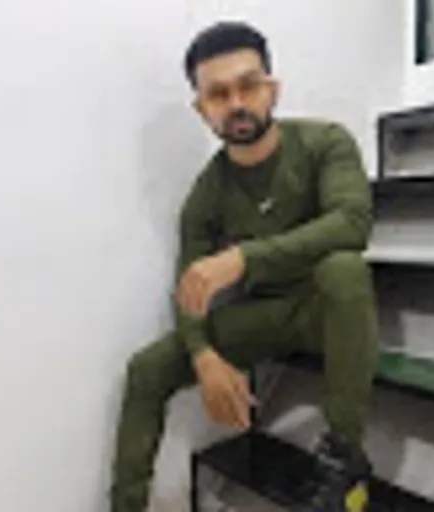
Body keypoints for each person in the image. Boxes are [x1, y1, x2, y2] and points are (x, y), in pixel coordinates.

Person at [110, 21, 379, 512]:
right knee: (146, 369)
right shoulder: (206, 193)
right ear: (201, 108)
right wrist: (204, 357)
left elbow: (352, 224)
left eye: (248, 85)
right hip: (264, 319)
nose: (235, 103)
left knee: (344, 268)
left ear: (272, 89)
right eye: (217, 94)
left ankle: (344, 453)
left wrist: (243, 259)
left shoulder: (325, 142)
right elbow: (190, 285)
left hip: (327, 311)